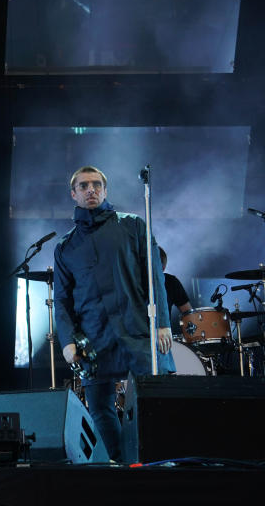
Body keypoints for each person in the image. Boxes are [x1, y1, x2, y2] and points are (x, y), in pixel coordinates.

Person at [53, 166, 173, 462]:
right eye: (83, 186)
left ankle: (156, 461)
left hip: (138, 328)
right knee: (100, 408)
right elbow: (62, 300)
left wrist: (163, 324)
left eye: (96, 184)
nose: (90, 189)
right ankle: (123, 464)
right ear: (74, 194)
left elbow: (154, 275)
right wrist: (67, 342)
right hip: (95, 336)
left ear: (105, 191)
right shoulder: (65, 247)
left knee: (155, 401)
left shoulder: (132, 225)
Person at [158, 246, 193, 332]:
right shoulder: (131, 281)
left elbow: (189, 315)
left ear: (163, 268)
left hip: (161, 339)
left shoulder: (171, 282)